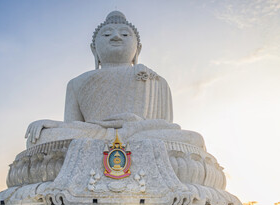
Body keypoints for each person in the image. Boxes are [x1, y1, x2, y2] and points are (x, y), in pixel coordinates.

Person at [24, 11, 205, 151]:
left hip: (140, 134)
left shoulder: (157, 80)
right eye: (107, 34)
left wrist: (134, 125)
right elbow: (74, 126)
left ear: (138, 49)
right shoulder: (76, 83)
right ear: (94, 49)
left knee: (194, 140)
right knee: (40, 138)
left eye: (125, 35)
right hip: (93, 134)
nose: (116, 37)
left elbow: (166, 126)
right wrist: (57, 125)